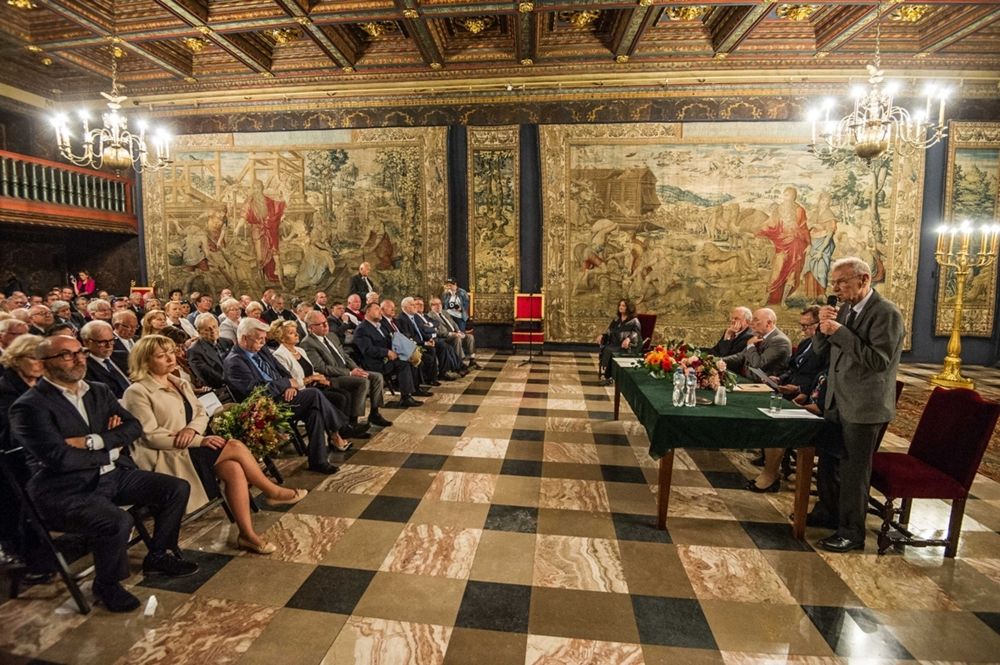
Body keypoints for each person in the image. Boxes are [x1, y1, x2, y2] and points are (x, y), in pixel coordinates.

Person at [9, 335, 197, 612]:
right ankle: (107, 584)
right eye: (67, 355)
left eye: (81, 352)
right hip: (65, 488)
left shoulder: (97, 390)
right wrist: (110, 448)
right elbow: (59, 458)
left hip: (112, 475)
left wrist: (92, 441)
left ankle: (158, 554)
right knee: (117, 520)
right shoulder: (29, 406)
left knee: (175, 488)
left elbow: (133, 427)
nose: (78, 359)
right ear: (44, 363)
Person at [124, 335, 306, 556]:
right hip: (167, 455)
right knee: (234, 446)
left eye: (171, 352)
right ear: (144, 361)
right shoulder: (137, 392)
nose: (170, 358)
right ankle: (272, 490)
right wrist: (199, 439)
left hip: (189, 446)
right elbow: (149, 436)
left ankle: (247, 535)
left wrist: (192, 430)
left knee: (234, 468)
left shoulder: (179, 382)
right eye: (162, 356)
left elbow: (201, 413)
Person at [810, 257, 905, 552]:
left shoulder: (886, 313)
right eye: (834, 282)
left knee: (853, 471)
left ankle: (852, 532)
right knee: (828, 461)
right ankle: (829, 512)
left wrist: (840, 332)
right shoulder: (846, 310)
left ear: (864, 279)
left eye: (842, 282)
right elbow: (821, 352)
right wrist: (822, 328)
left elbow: (878, 361)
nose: (836, 288)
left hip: (864, 405)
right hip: (837, 399)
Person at [224, 317, 347, 473]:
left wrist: (290, 385)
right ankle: (340, 428)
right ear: (244, 338)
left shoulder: (261, 349)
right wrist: (286, 384)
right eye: (259, 339)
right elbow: (256, 392)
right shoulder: (234, 362)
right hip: (265, 407)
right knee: (314, 394)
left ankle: (318, 461)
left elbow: (282, 371)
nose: (263, 342)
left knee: (314, 412)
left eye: (264, 339)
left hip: (283, 396)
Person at [747, 306, 828, 492]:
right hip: (789, 388)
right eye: (802, 325)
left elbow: (821, 375)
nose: (803, 330)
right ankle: (769, 463)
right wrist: (780, 378)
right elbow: (792, 368)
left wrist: (801, 390)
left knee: (778, 423)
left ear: (820, 324)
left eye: (807, 326)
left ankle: (770, 475)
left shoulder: (825, 348)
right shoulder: (806, 343)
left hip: (807, 396)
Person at [0, 334, 53, 585]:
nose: (41, 363)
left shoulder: (44, 384)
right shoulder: (5, 389)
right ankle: (28, 553)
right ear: (17, 358)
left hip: (41, 453)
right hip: (14, 461)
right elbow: (9, 433)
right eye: (35, 357)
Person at [268, 320, 361, 444]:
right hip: (302, 391)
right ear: (282, 337)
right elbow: (290, 379)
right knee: (338, 398)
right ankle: (341, 431)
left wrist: (320, 377)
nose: (296, 334)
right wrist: (311, 379)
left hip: (314, 385)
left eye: (296, 332)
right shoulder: (279, 355)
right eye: (291, 333)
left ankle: (337, 434)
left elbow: (310, 370)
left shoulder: (300, 350)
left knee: (343, 395)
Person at [302, 310, 392, 428]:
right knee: (362, 381)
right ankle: (353, 421)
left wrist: (356, 369)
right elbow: (321, 367)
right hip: (332, 377)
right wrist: (349, 373)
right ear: (311, 328)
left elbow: (344, 356)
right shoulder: (308, 343)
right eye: (321, 324)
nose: (325, 326)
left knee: (376, 377)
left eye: (326, 322)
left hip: (346, 371)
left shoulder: (331, 336)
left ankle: (374, 413)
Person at [353, 303, 425, 408]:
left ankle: (413, 391)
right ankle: (406, 397)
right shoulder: (362, 329)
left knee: (410, 359)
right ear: (368, 311)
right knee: (403, 364)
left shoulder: (380, 327)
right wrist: (386, 352)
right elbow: (367, 350)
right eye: (376, 309)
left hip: (386, 359)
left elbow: (390, 341)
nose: (380, 311)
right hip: (374, 363)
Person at [757, 187, 811, 305]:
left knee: (792, 274)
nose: (786, 198)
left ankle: (783, 301)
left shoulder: (799, 210)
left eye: (788, 195)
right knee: (776, 271)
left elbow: (804, 228)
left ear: (793, 197)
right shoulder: (779, 209)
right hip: (782, 244)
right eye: (785, 195)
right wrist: (762, 231)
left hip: (796, 245)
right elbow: (771, 223)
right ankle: (766, 297)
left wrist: (808, 242)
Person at [720, 307, 791, 376]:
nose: (751, 323)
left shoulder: (780, 341)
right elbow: (741, 356)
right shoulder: (760, 336)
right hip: (748, 376)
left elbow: (758, 364)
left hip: (762, 382)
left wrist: (750, 346)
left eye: (756, 320)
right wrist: (719, 360)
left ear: (768, 323)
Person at [244, 179, 285, 283]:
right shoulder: (250, 202)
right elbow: (243, 215)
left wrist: (281, 216)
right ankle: (262, 282)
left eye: (258, 188)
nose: (256, 190)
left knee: (277, 257)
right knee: (259, 259)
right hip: (257, 231)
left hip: (270, 231)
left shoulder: (268, 201)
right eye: (254, 188)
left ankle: (282, 283)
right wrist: (237, 228)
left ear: (262, 188)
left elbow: (278, 210)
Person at [186, 313, 234, 398]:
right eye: (207, 329)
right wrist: (233, 379)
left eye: (214, 327)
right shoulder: (194, 351)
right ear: (198, 331)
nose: (213, 331)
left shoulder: (227, 342)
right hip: (222, 391)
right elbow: (209, 376)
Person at [81, 321, 132, 399]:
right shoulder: (85, 368)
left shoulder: (123, 356)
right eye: (102, 342)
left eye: (111, 340)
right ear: (86, 342)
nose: (108, 346)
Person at [596, 299, 642, 384]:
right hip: (614, 343)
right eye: (620, 305)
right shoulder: (616, 319)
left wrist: (628, 339)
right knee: (608, 349)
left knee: (613, 351)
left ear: (629, 308)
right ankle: (608, 375)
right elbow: (609, 331)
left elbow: (636, 333)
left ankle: (610, 377)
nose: (620, 307)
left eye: (623, 306)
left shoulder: (634, 321)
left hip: (627, 346)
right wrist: (602, 335)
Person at [427, 297, 480, 370]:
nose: (439, 306)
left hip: (455, 333)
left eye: (439, 303)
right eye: (436, 304)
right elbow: (437, 331)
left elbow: (454, 323)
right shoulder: (430, 316)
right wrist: (452, 334)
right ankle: (459, 363)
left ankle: (472, 360)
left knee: (470, 337)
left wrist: (458, 331)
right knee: (457, 338)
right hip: (445, 336)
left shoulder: (444, 312)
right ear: (431, 306)